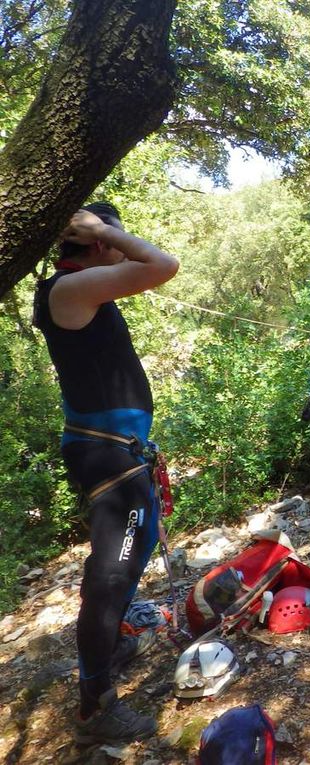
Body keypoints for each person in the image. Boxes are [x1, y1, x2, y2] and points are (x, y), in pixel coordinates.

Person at [32, 202, 179, 745]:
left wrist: (105, 236)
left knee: (129, 559)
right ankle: (95, 703)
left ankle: (110, 644)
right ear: (95, 242)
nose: (120, 247)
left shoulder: (82, 285)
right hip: (108, 456)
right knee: (111, 576)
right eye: (111, 239)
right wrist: (109, 232)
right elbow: (163, 265)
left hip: (118, 450)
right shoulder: (66, 290)